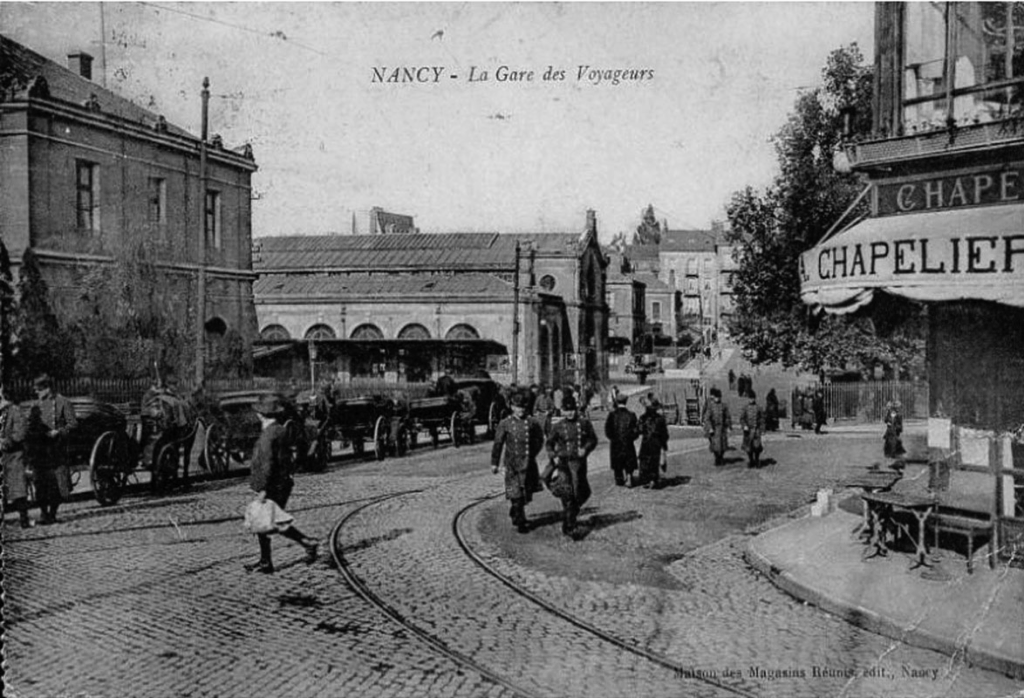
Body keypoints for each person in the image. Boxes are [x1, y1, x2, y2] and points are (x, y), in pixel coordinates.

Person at [247, 394, 319, 574]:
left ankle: (270, 560)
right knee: (271, 521)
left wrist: (263, 489)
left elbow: (268, 463)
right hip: (283, 481)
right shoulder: (280, 430)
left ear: (261, 415)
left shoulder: (269, 434)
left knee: (267, 521)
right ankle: (268, 559)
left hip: (274, 484)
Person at [26, 374, 78, 524]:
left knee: (55, 484)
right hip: (40, 450)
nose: (37, 392)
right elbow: (30, 423)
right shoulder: (35, 405)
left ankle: (53, 513)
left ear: (47, 389)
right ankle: (43, 513)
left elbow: (73, 424)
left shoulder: (63, 402)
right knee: (39, 483)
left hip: (56, 448)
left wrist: (59, 431)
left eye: (39, 390)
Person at [544, 394, 598, 538]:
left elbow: (593, 439)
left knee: (582, 493)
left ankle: (570, 516)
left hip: (579, 465)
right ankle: (570, 526)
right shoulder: (558, 426)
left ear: (576, 409)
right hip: (563, 464)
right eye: (567, 410)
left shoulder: (584, 423)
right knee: (568, 494)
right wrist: (553, 455)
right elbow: (549, 443)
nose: (570, 413)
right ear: (562, 410)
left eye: (572, 410)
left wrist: (585, 448)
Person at [491, 391, 545, 533]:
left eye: (523, 407)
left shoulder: (532, 422)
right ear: (512, 407)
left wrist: (532, 453)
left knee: (526, 492)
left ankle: (515, 511)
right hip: (512, 465)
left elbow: (540, 439)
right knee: (515, 493)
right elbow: (498, 444)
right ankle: (520, 521)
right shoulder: (505, 424)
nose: (521, 410)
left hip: (528, 463)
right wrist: (495, 463)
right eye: (518, 407)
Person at [2, 387, 33, 528]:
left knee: (18, 488)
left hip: (14, 455)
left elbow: (21, 432)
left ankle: (24, 518)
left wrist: (7, 442)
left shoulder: (14, 411)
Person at [604, 393, 639, 487]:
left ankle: (619, 478)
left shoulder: (612, 415)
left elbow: (607, 430)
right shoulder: (631, 415)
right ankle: (629, 475)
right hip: (628, 442)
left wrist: (613, 438)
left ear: (616, 402)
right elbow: (636, 430)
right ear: (626, 402)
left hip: (616, 443)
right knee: (628, 460)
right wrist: (631, 437)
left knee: (617, 462)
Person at [637, 397, 670, 488]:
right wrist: (664, 446)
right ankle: (653, 479)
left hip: (646, 442)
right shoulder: (660, 419)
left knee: (645, 460)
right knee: (654, 461)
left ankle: (646, 480)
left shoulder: (643, 418)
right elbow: (665, 434)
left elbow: (639, 430)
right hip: (656, 443)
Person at [702, 387, 731, 466]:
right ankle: (717, 458)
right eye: (716, 397)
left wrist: (728, 426)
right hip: (714, 429)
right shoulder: (711, 407)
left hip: (722, 429)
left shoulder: (724, 406)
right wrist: (710, 428)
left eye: (718, 397)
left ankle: (721, 457)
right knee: (715, 446)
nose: (717, 399)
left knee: (723, 445)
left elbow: (727, 417)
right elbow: (707, 418)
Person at [739, 390, 766, 468]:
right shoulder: (745, 408)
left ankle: (757, 460)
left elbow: (762, 419)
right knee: (749, 448)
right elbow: (742, 419)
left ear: (755, 399)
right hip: (748, 431)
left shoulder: (758, 408)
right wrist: (744, 426)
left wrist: (762, 429)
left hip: (756, 430)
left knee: (757, 447)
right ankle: (751, 460)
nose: (751, 400)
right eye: (750, 398)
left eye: (753, 398)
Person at [883, 401, 905, 465]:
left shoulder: (899, 415)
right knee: (888, 443)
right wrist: (888, 422)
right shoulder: (890, 412)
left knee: (894, 443)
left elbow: (900, 425)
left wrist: (896, 427)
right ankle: (889, 455)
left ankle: (894, 455)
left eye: (898, 406)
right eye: (895, 406)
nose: (896, 407)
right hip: (889, 431)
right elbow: (886, 420)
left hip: (895, 431)